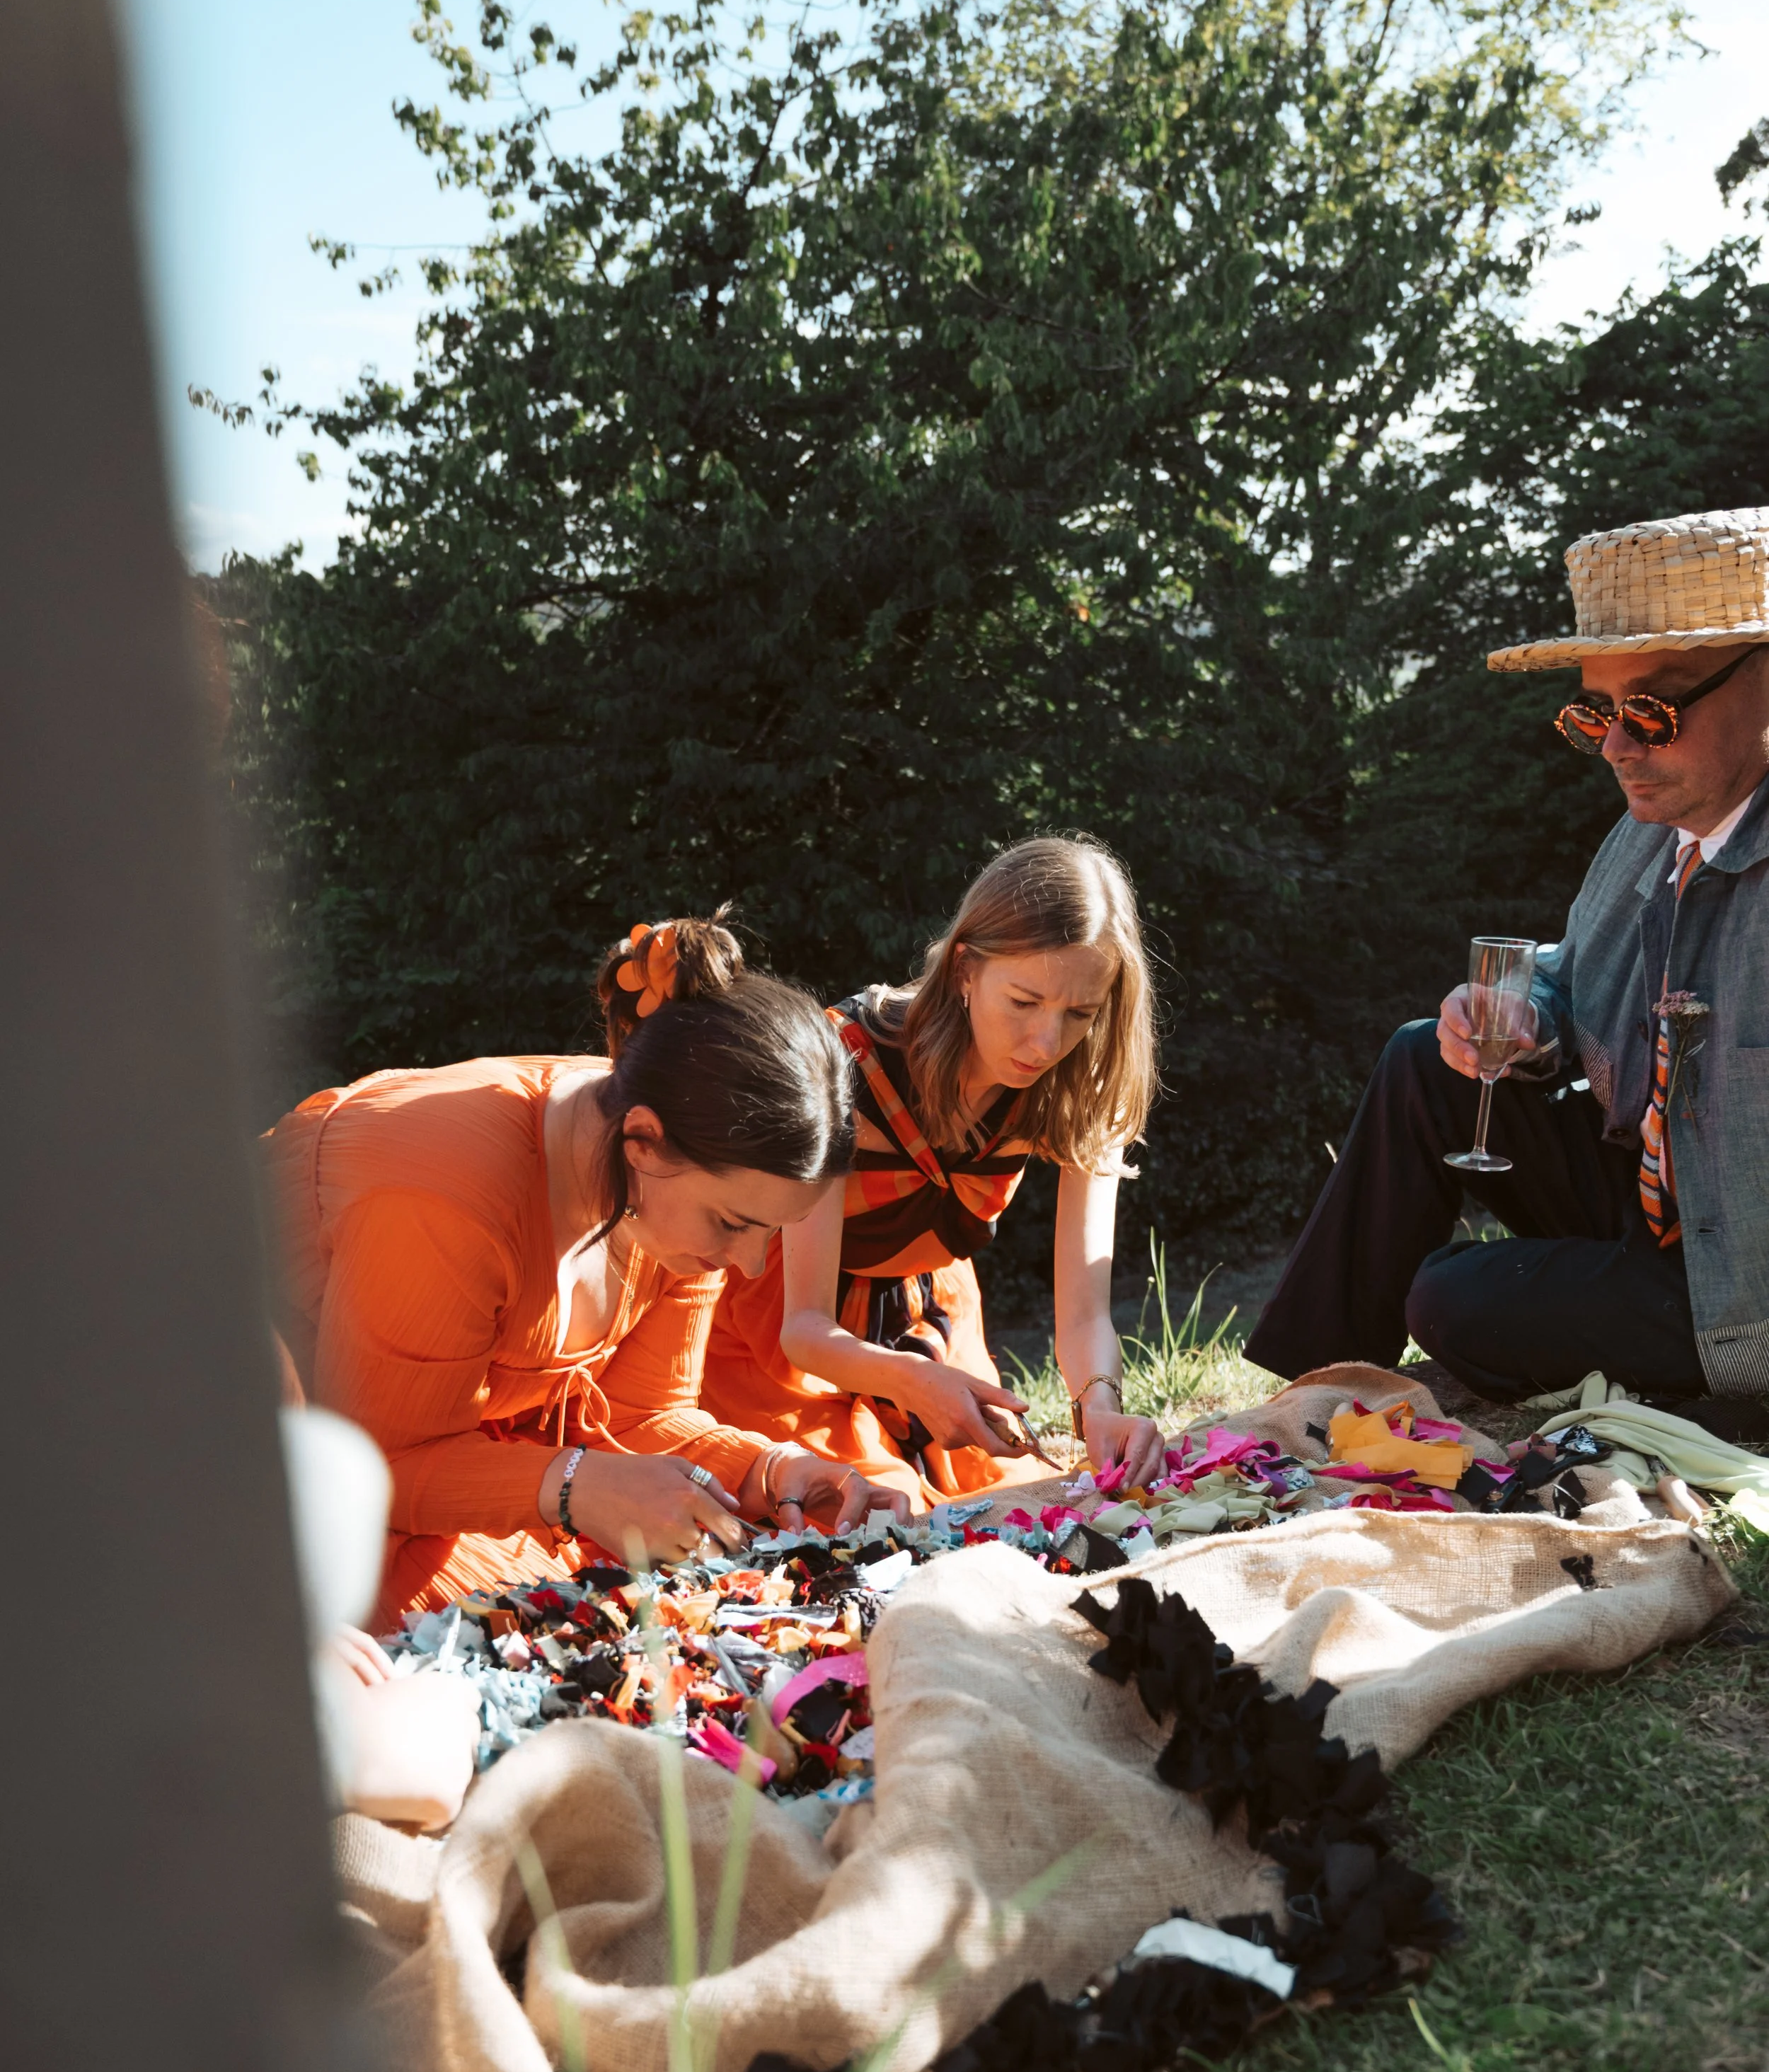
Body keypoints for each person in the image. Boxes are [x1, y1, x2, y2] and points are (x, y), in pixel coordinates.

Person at [1249, 506, 1769, 1412]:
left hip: (1739, 1292)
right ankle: (1308, 1394)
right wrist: (1523, 1012)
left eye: (1652, 709)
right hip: (1656, 1215)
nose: (1617, 745)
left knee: (1451, 1297)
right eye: (1594, 712)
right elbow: (1574, 972)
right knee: (1424, 1055)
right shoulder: (1649, 836)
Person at [263, 919, 906, 1630]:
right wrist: (570, 1484)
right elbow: (377, 1465)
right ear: (643, 1141)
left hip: (432, 1464)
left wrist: (773, 1470)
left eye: (771, 1231)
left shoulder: (656, 1174)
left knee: (666, 1584)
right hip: (258, 1463)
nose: (751, 1264)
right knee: (505, 1620)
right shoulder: (442, 1196)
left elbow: (642, 1416)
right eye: (732, 1223)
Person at [701, 839, 1167, 1501]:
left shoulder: (1079, 1080)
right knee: (862, 1505)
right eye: (1025, 1002)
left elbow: (1085, 1314)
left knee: (1007, 1502)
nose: (1047, 1043)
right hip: (782, 1333)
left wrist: (1101, 1406)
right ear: (965, 970)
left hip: (929, 1313)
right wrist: (913, 1383)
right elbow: (803, 1327)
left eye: (1081, 1014)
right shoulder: (846, 1062)